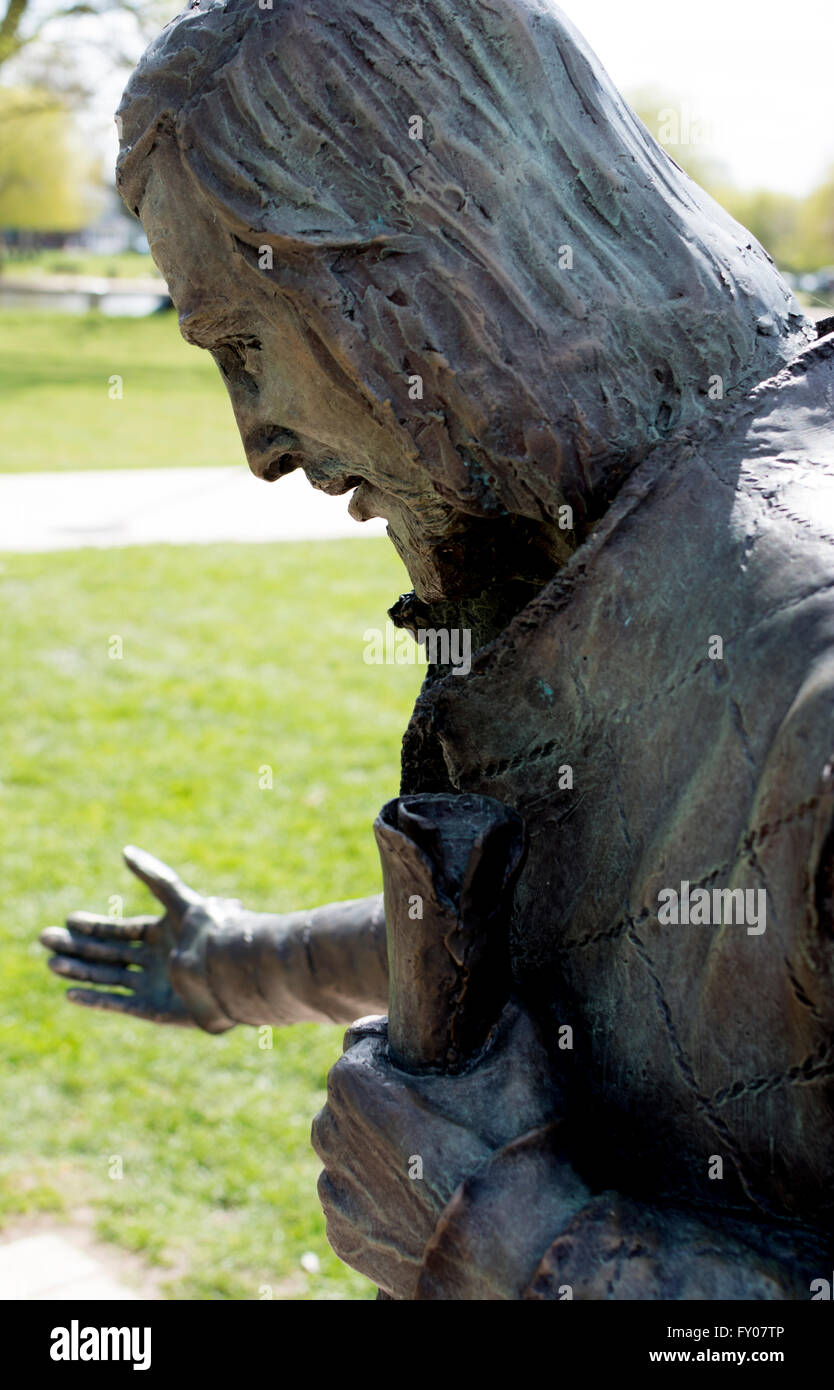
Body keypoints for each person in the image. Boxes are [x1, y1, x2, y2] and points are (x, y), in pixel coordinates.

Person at [41, 0, 834, 1298]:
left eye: (246, 343)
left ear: (435, 262)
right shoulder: (618, 585)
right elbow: (598, 923)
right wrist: (235, 964)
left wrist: (512, 1245)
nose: (259, 444)